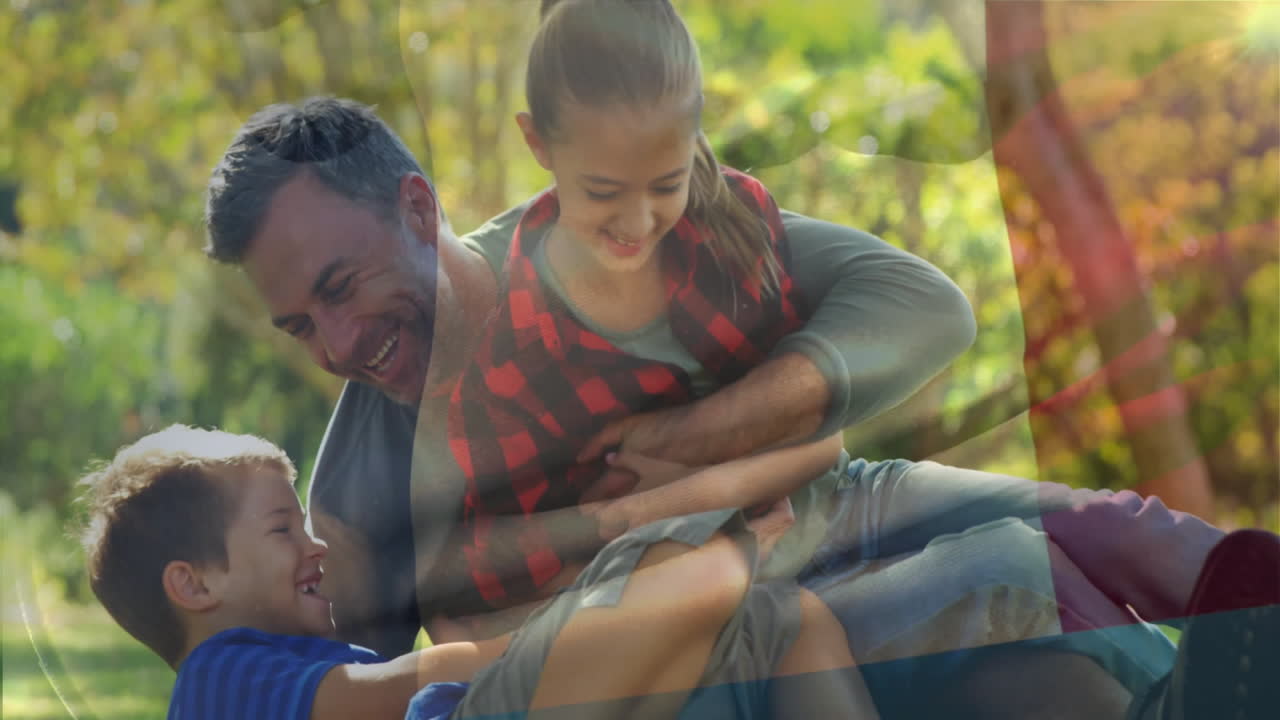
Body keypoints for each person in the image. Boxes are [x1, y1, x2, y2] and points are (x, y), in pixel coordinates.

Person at [202, 90, 1260, 718]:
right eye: (301, 327)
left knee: (1059, 579)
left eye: (339, 291)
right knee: (1015, 587)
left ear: (417, 208)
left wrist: (711, 428)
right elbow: (389, 689)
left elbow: (919, 306)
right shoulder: (358, 486)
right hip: (733, 664)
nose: (338, 348)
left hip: (853, 547)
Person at [79, 424, 879, 720]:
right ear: (194, 586)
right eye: (285, 529)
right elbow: (396, 688)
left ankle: (736, 564)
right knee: (664, 570)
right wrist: (541, 641)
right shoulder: (218, 681)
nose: (315, 548)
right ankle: (744, 541)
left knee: (781, 621)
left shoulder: (271, 666)